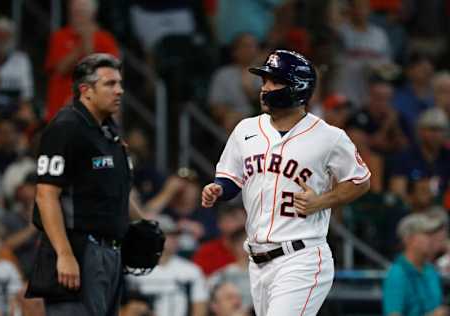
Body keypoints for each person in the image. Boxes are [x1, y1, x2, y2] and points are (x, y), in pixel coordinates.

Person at [201, 50, 371, 316]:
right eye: (264, 81)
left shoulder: (329, 137)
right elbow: (231, 177)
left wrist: (322, 201)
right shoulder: (246, 129)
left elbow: (360, 181)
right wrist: (218, 189)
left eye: (273, 81)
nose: (264, 88)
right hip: (258, 261)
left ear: (296, 88)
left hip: (301, 256)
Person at [26, 53, 140, 316]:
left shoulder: (108, 130)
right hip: (79, 250)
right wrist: (64, 254)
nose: (119, 91)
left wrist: (142, 223)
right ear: (85, 90)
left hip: (109, 252)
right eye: (110, 84)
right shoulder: (66, 128)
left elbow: (116, 190)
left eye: (120, 83)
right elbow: (45, 195)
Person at [44, 0, 119, 121]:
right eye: (74, 12)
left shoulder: (106, 40)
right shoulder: (59, 36)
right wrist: (82, 45)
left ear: (92, 14)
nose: (76, 16)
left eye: (81, 12)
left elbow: (111, 79)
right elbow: (61, 69)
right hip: (60, 114)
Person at [126, 215, 208, 316]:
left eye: (175, 235)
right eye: (168, 234)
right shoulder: (134, 270)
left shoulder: (191, 270)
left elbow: (199, 306)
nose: (173, 239)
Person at [383, 213, 448, 316]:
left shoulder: (430, 270)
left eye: (432, 235)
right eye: (426, 234)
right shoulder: (397, 274)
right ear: (409, 239)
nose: (431, 240)